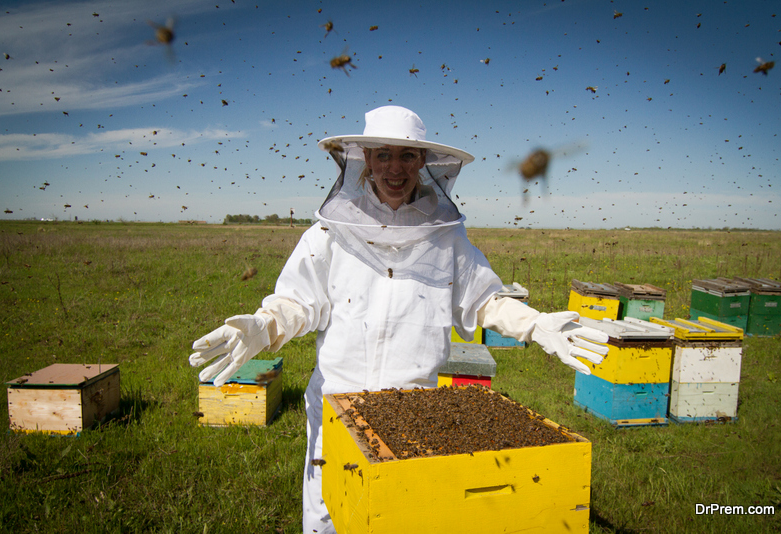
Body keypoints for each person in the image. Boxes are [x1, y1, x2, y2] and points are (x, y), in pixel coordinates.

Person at [188, 105, 609, 533]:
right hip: (337, 407)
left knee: (401, 519)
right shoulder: (329, 233)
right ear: (365, 159)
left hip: (412, 416)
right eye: (383, 155)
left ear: (423, 163)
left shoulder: (447, 237)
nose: (395, 167)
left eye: (407, 156)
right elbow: (298, 302)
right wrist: (266, 325)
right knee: (329, 518)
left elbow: (484, 301)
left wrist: (534, 324)